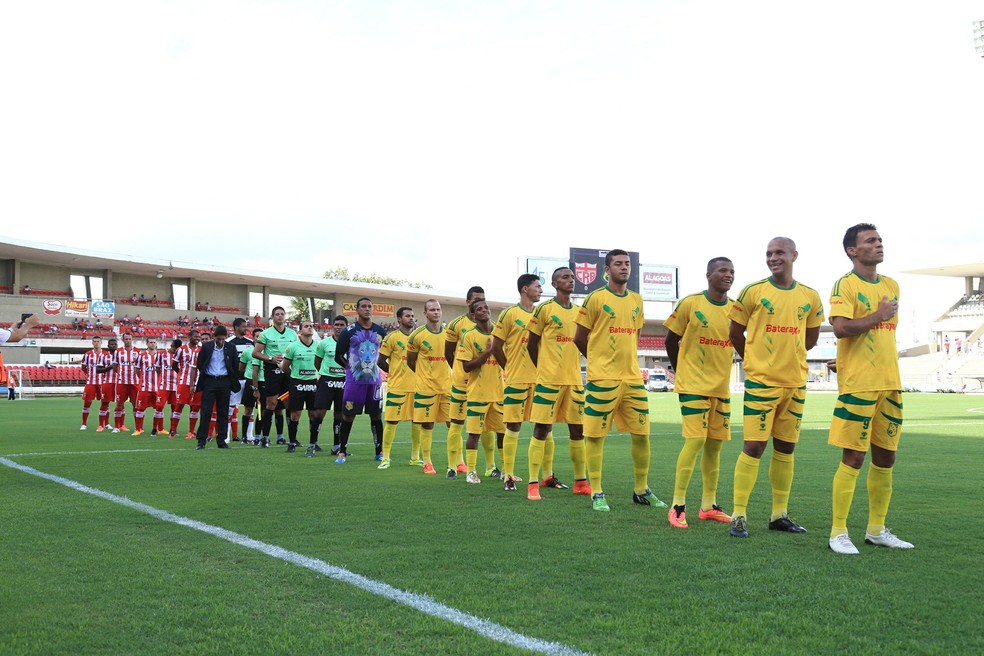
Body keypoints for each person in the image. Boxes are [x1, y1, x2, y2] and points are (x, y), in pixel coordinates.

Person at [727, 236, 824, 538]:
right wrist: (756, 361)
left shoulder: (810, 295)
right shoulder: (754, 291)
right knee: (754, 446)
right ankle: (739, 515)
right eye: (769, 253)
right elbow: (734, 332)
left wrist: (790, 358)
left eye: (779, 252)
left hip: (795, 384)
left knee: (786, 448)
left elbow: (811, 338)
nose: (773, 258)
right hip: (761, 383)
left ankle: (778, 515)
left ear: (794, 255)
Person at [827, 224, 913, 554]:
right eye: (870, 241)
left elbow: (878, 336)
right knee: (854, 456)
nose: (878, 245)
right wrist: (877, 315)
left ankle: (876, 529)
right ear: (853, 250)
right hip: (859, 385)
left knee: (887, 456)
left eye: (879, 240)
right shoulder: (845, 285)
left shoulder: (892, 285)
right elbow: (841, 327)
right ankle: (838, 532)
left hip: (890, 382)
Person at [574, 249, 660, 512]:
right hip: (602, 379)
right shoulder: (595, 299)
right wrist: (599, 360)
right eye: (618, 264)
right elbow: (579, 337)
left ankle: (641, 490)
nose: (624, 267)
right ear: (607, 269)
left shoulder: (637, 300)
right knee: (596, 437)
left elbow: (636, 334)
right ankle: (597, 492)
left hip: (633, 379)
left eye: (627, 264)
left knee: (642, 435)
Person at [664, 257, 736, 528]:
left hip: (721, 387)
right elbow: (670, 339)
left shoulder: (735, 309)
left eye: (731, 271)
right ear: (709, 275)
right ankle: (677, 505)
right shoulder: (691, 303)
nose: (727, 275)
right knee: (695, 441)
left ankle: (708, 506)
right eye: (722, 270)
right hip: (693, 384)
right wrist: (681, 369)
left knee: (715, 446)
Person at [526, 267, 590, 500]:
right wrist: (543, 368)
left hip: (573, 380)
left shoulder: (580, 311)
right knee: (542, 428)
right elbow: (531, 344)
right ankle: (533, 484)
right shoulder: (544, 309)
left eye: (572, 277)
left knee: (577, 430)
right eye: (565, 277)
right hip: (549, 380)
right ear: (554, 284)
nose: (570, 280)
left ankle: (581, 482)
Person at [491, 274, 543, 491]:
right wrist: (509, 368)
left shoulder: (542, 313)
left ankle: (547, 475)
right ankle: (508, 475)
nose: (541, 290)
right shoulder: (509, 314)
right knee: (513, 426)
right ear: (524, 289)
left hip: (541, 380)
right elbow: (495, 347)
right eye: (537, 286)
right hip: (517, 379)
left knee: (544, 428)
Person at [444, 286, 495, 479]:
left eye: (483, 300)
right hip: (461, 383)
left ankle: (491, 466)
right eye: (476, 300)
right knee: (456, 424)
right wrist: (460, 370)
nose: (480, 304)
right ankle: (452, 466)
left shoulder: (493, 326)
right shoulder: (456, 324)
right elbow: (448, 352)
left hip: (484, 385)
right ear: (468, 303)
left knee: (487, 426)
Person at [333, 298, 387, 463]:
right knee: (348, 416)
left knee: (376, 416)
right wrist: (350, 368)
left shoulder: (380, 331)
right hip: (354, 382)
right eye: (363, 306)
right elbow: (338, 356)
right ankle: (342, 451)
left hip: (374, 382)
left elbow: (386, 355)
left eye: (370, 306)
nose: (367, 309)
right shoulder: (348, 331)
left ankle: (379, 452)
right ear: (357, 310)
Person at [457, 299, 504, 484]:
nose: (484, 310)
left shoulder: (500, 334)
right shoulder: (469, 336)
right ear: (473, 315)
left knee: (503, 433)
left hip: (499, 392)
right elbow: (466, 366)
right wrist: (486, 353)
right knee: (474, 434)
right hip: (478, 393)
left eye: (486, 307)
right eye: (479, 309)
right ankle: (471, 471)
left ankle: (506, 472)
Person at [407, 299, 451, 476]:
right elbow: (411, 361)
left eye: (438, 309)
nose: (436, 312)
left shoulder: (449, 334)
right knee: (427, 425)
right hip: (426, 388)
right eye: (432, 310)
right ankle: (427, 462)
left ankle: (458, 462)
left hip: (447, 387)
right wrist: (424, 377)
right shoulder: (416, 336)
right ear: (425, 313)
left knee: (454, 424)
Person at [377, 307, 420, 469]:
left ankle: (415, 457)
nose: (411, 318)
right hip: (398, 387)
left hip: (417, 387)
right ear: (399, 319)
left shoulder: (419, 337)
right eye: (408, 316)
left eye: (413, 316)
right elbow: (380, 361)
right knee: (392, 421)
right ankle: (386, 457)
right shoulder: (392, 338)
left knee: (417, 422)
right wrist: (393, 372)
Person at [251, 306, 298, 447]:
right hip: (272, 370)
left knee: (289, 403)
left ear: (285, 316)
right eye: (277, 314)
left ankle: (291, 439)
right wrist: (271, 358)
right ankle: (265, 437)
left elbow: (296, 350)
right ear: (272, 317)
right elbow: (256, 353)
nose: (280, 316)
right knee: (271, 403)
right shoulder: (266, 334)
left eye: (282, 314)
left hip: (289, 370)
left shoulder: (292, 334)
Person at [194, 325, 241, 449]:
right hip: (210, 381)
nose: (220, 342)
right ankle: (201, 440)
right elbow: (200, 364)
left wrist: (230, 380)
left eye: (223, 339)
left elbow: (235, 365)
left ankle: (221, 439)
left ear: (226, 338)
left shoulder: (231, 348)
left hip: (224, 382)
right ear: (214, 337)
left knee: (223, 412)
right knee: (206, 411)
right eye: (218, 339)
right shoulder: (206, 347)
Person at [281, 320, 322, 453]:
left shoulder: (319, 346)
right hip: (297, 383)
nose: (309, 328)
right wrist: (293, 377)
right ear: (300, 330)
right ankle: (292, 442)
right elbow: (285, 366)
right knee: (295, 414)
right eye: (306, 326)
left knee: (314, 414)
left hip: (313, 383)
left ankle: (313, 443)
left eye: (311, 326)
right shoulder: (293, 347)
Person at [313, 316, 348, 456]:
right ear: (333, 326)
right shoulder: (323, 343)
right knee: (319, 412)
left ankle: (336, 446)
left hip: (344, 380)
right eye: (336, 324)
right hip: (327, 380)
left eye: (342, 325)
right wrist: (324, 373)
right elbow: (317, 362)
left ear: (346, 326)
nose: (339, 327)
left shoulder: (351, 343)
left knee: (340, 414)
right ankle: (313, 443)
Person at [226, 318, 254, 442]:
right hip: (234, 380)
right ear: (236, 327)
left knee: (250, 407)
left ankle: (249, 435)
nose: (246, 328)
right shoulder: (228, 342)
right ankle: (226, 435)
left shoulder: (251, 343)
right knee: (230, 407)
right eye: (243, 326)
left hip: (248, 379)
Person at [171, 329, 203, 438]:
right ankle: (173, 431)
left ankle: (191, 432)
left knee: (195, 407)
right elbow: (174, 365)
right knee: (179, 405)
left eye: (199, 337)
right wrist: (181, 374)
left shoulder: (202, 350)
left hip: (198, 382)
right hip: (184, 382)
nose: (198, 338)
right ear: (189, 337)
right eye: (195, 336)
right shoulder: (181, 350)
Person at [111, 332, 141, 433]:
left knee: (135, 405)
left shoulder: (138, 352)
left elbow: (140, 367)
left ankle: (138, 427)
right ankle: (116, 427)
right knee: (119, 404)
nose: (128, 341)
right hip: (121, 382)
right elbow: (115, 367)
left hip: (134, 382)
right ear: (123, 340)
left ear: (132, 339)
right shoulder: (118, 352)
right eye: (126, 339)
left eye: (129, 339)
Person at [132, 338, 160, 436]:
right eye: (150, 342)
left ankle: (158, 429)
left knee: (159, 408)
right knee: (140, 408)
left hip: (157, 388)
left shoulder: (160, 356)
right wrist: (143, 380)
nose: (152, 344)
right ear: (147, 344)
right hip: (144, 388)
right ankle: (139, 429)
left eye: (154, 342)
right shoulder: (142, 356)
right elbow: (137, 370)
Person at [155, 339, 181, 437]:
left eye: (177, 349)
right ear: (171, 346)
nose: (175, 350)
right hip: (164, 385)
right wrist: (161, 379)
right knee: (159, 406)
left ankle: (172, 429)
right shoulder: (161, 354)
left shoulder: (180, 354)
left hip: (176, 386)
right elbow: (157, 368)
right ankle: (155, 429)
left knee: (175, 408)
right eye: (174, 348)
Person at [79, 336, 104, 430]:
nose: (96, 343)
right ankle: (84, 424)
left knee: (105, 402)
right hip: (91, 382)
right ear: (92, 343)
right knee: (87, 402)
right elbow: (83, 367)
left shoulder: (105, 354)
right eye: (95, 341)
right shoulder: (88, 354)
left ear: (101, 342)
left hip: (102, 382)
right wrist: (89, 374)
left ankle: (105, 424)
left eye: (98, 341)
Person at [96, 337, 119, 431]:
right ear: (108, 346)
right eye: (111, 344)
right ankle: (101, 425)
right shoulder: (103, 356)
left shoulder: (121, 355)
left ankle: (120, 425)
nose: (113, 346)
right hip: (107, 382)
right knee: (105, 402)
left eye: (115, 344)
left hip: (119, 382)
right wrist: (110, 367)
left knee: (120, 404)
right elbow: (98, 370)